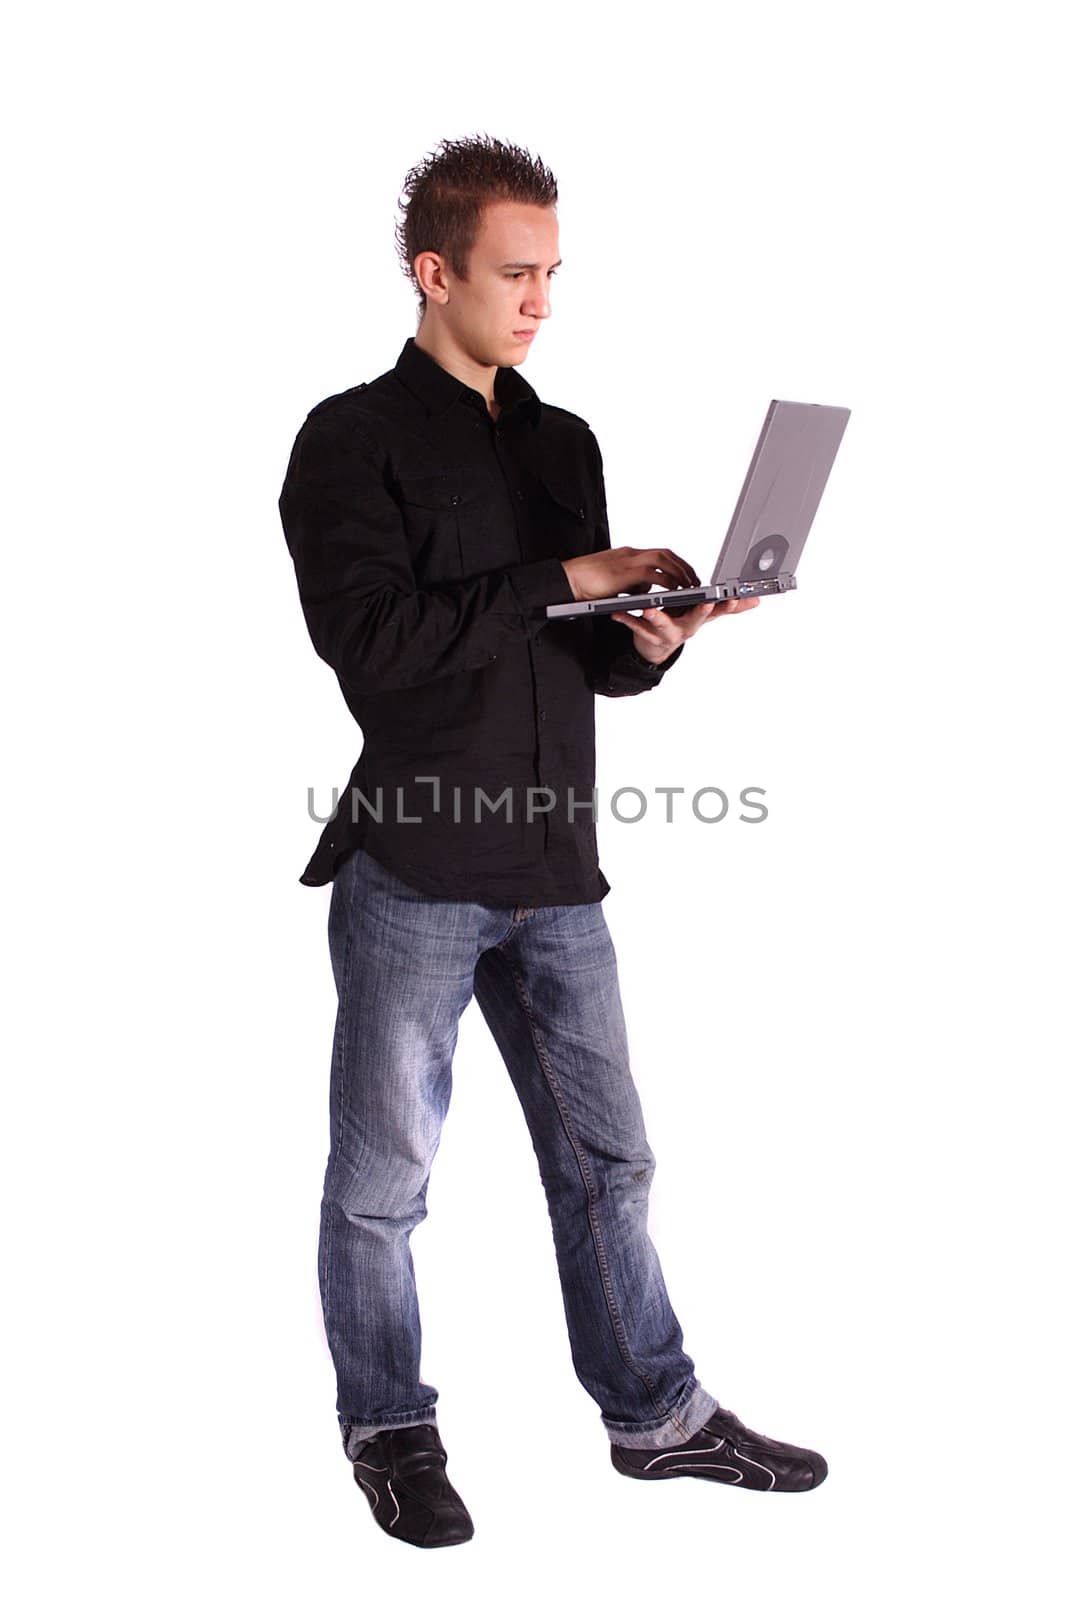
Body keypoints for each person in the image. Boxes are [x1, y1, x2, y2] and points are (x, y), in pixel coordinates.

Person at [278, 133, 827, 1549]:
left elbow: (578, 666)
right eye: (515, 274)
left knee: (612, 1164)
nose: (538, 302)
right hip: (415, 869)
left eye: (552, 275)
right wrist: (560, 576)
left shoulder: (560, 439)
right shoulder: (349, 440)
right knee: (384, 1184)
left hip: (557, 875)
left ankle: (655, 1417)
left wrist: (650, 636)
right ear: (434, 271)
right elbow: (379, 650)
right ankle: (390, 1427)